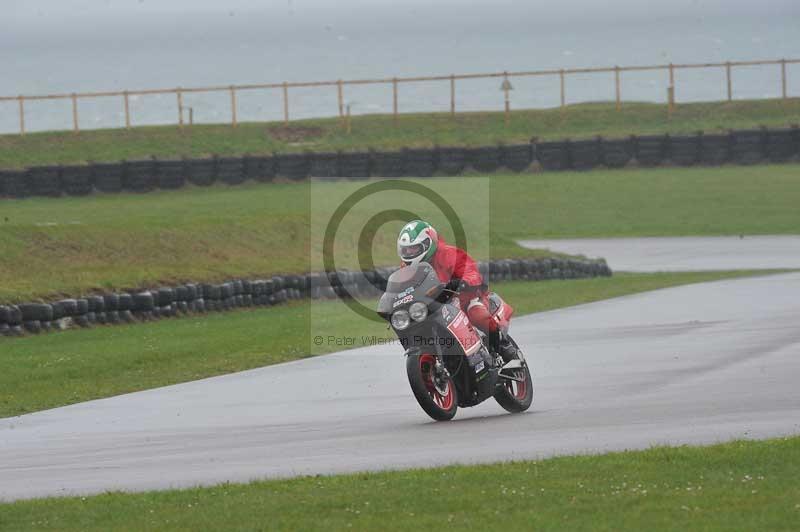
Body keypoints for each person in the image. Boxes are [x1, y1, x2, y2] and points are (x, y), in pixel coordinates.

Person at [396, 219, 515, 360]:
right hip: (436, 306)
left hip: (465, 298)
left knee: (477, 314)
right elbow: (403, 288)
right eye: (406, 249)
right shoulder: (406, 267)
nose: (409, 252)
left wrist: (462, 282)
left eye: (414, 248)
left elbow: (471, 272)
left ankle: (504, 347)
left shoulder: (448, 254)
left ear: (427, 244)